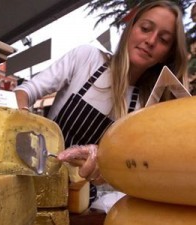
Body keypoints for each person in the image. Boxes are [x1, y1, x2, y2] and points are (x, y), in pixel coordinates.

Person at [14, 0, 188, 203]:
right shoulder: (86, 59)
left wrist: (104, 171)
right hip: (38, 183)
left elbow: (132, 172)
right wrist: (24, 117)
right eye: (145, 28)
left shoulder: (147, 106)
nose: (151, 40)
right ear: (130, 29)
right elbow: (25, 91)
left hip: (87, 204)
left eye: (164, 40)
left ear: (166, 55)